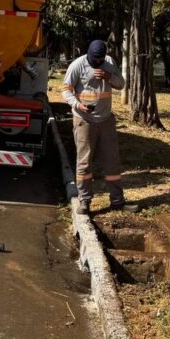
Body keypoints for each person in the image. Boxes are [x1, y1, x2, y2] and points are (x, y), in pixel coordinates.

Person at [62, 39, 125, 215]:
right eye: (94, 59)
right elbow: (66, 90)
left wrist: (108, 76)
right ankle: (84, 201)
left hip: (105, 120)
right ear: (89, 55)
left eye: (100, 59)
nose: (97, 62)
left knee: (112, 161)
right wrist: (77, 105)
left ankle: (117, 200)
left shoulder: (109, 63)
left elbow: (121, 84)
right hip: (84, 120)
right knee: (84, 163)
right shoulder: (77, 65)